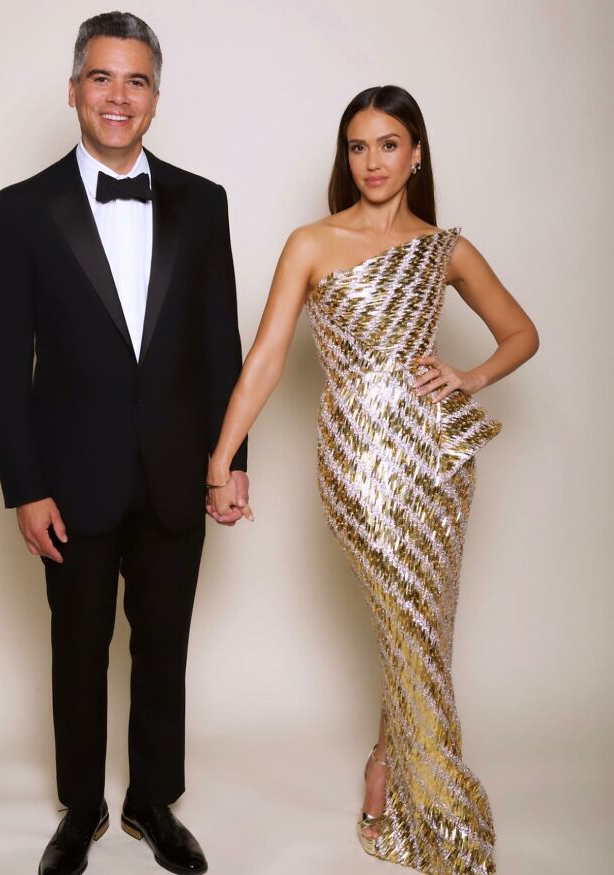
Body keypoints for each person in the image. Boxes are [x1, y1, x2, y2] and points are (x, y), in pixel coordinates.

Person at [206, 85, 539, 874]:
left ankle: (385, 770)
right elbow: (265, 359)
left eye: (388, 144)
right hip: (356, 460)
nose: (373, 162)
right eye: (358, 146)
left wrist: (469, 376)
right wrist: (222, 457)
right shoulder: (312, 242)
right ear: (345, 156)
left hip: (437, 461)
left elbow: (521, 332)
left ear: (416, 152)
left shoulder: (444, 245)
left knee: (425, 626)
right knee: (410, 627)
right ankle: (447, 820)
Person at [0, 12, 249, 875]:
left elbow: (221, 344)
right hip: (71, 478)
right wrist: (24, 485)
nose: (117, 96)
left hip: (178, 472)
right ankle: (82, 808)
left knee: (163, 645)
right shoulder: (20, 211)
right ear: (73, 90)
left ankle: (151, 802)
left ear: (156, 98)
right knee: (78, 646)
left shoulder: (204, 204)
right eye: (101, 77)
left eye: (135, 80)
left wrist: (232, 461)